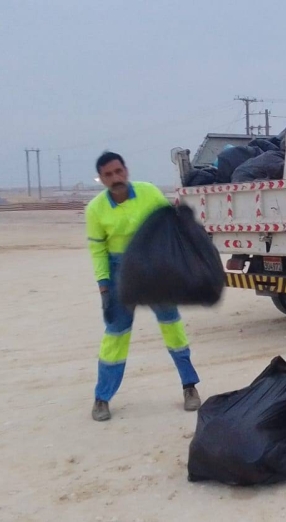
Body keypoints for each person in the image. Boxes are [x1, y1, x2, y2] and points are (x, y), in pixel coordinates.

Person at [85, 151, 202, 421]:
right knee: (115, 335)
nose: (115, 178)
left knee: (172, 328)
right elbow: (97, 251)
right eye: (108, 175)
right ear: (101, 179)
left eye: (118, 171)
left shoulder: (149, 194)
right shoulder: (95, 210)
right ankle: (102, 398)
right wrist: (104, 287)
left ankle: (189, 387)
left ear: (126, 170)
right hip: (119, 273)